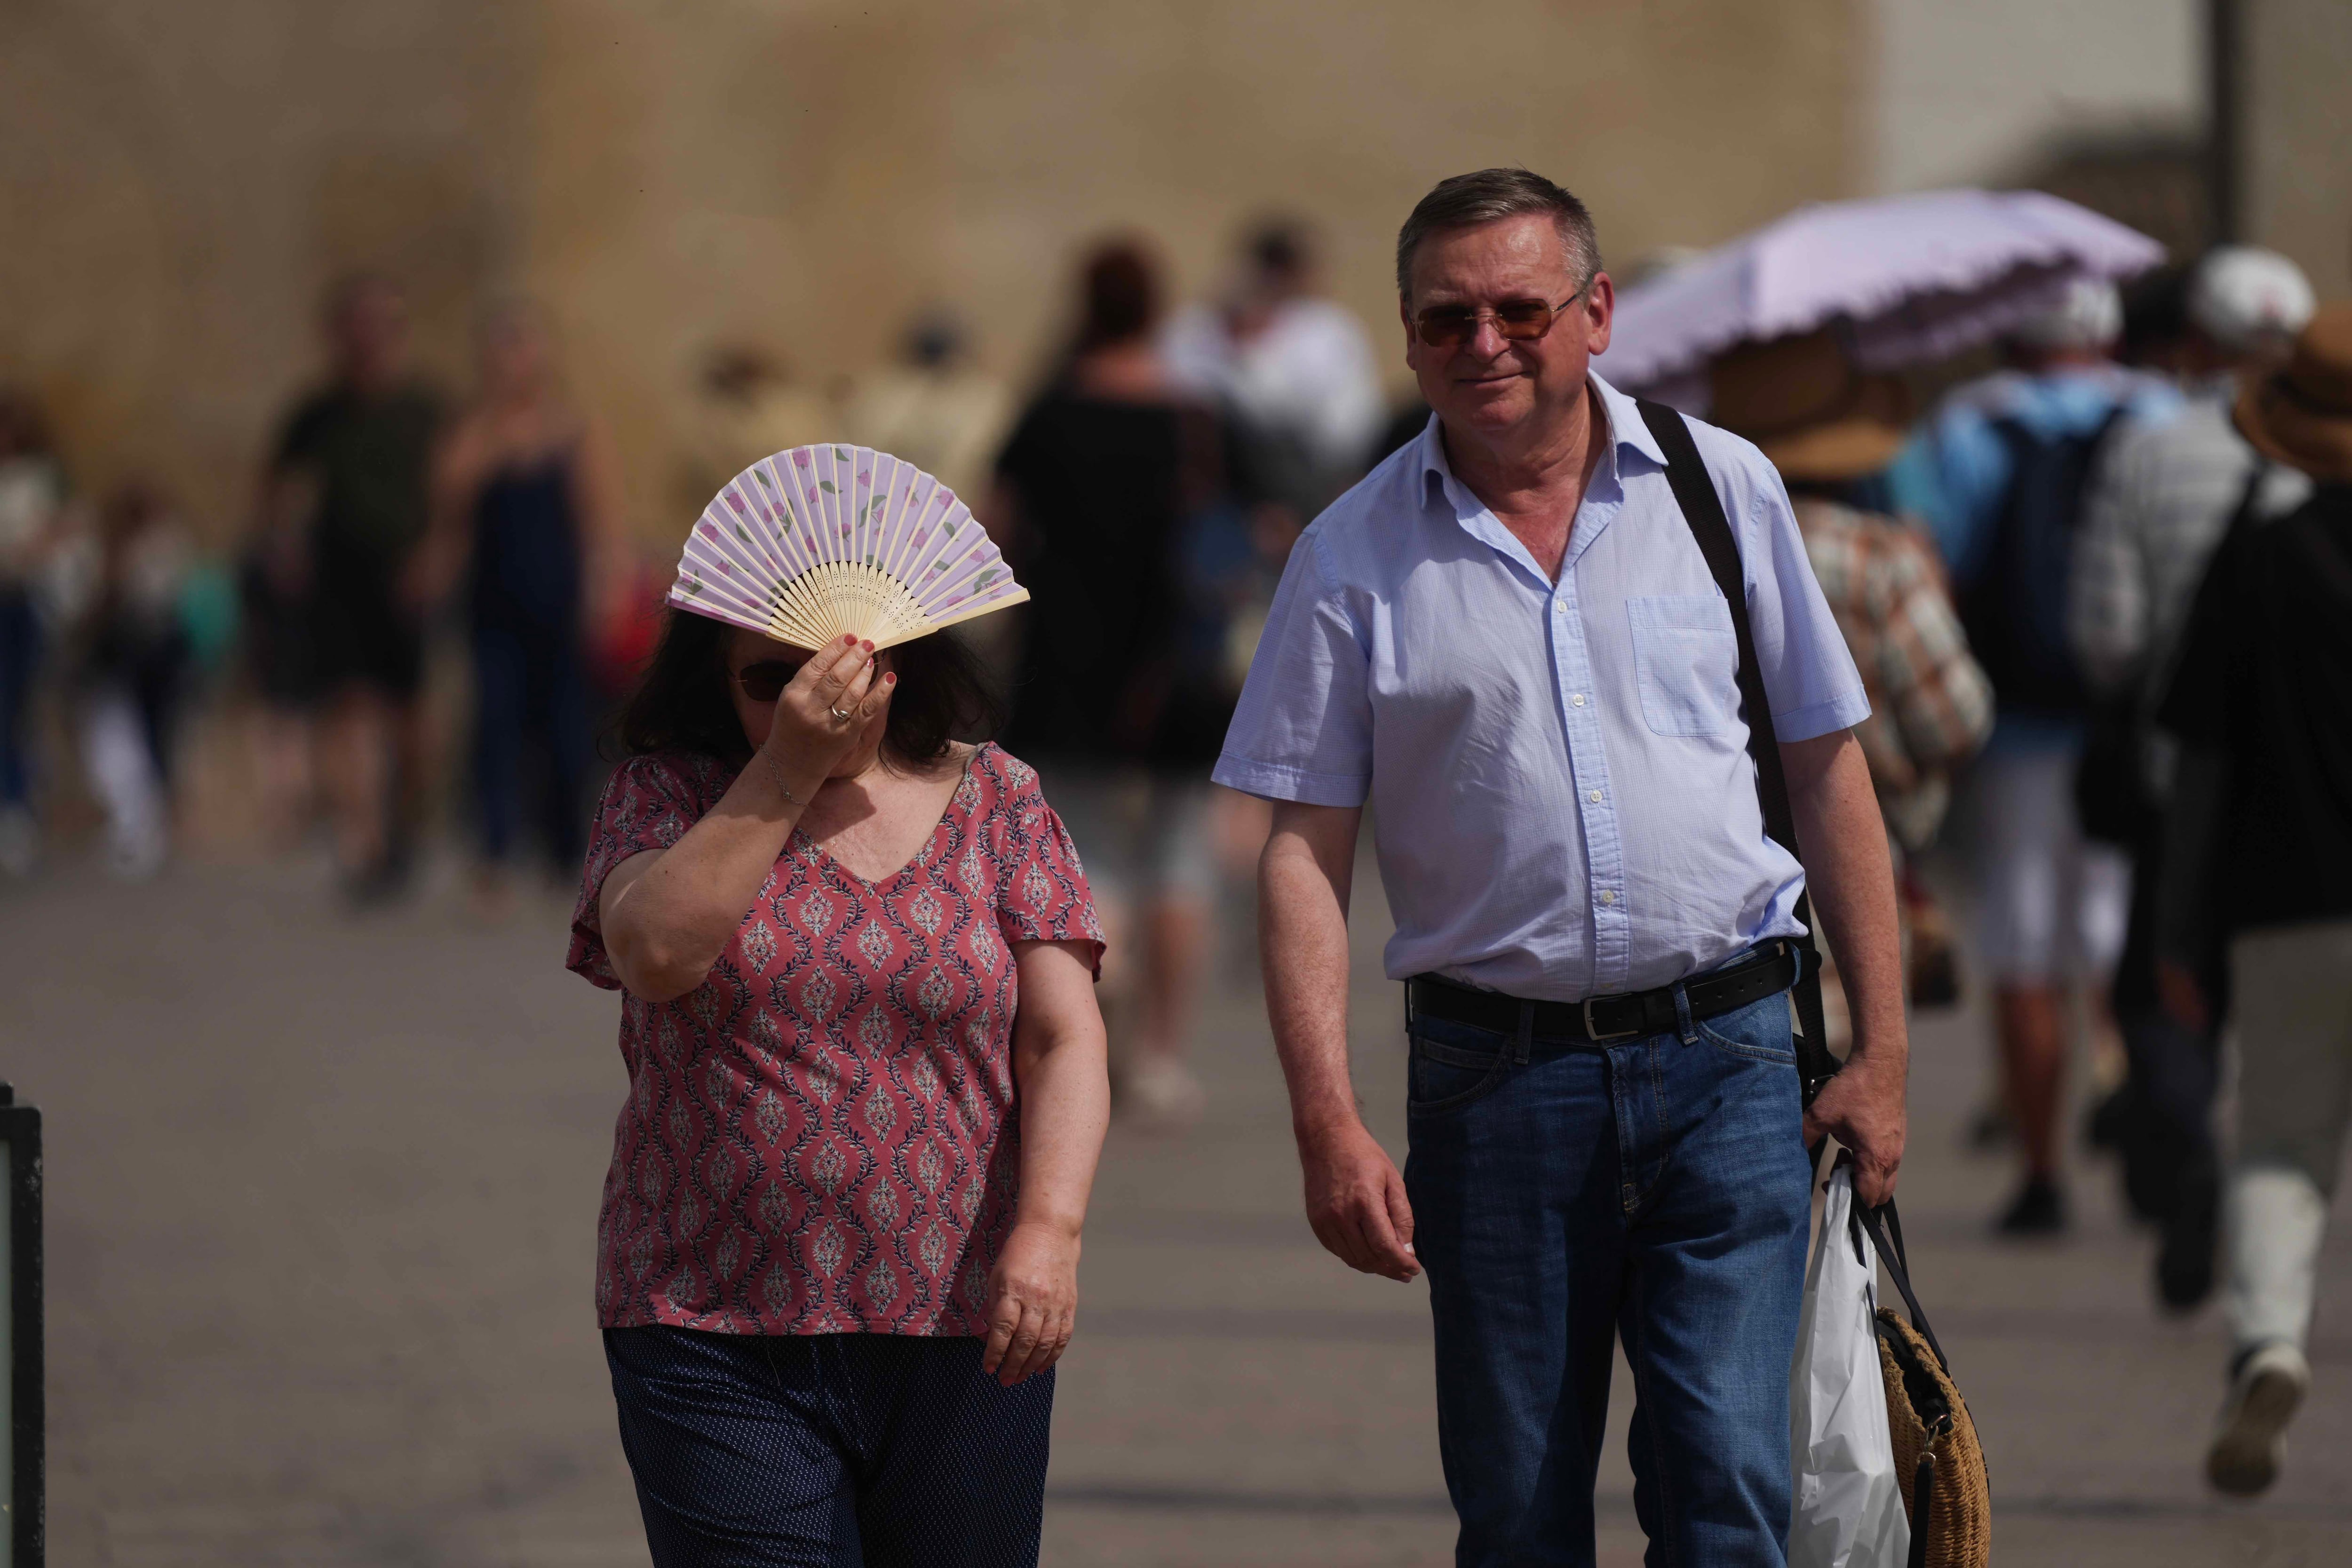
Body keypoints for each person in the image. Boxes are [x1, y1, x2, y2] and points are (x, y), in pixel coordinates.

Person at [1215, 169, 1906, 1565]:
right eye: (1447, 317)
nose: (1485, 343)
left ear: (1595, 315)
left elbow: (1831, 771)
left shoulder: (1722, 490)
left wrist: (1881, 1051)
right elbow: (1300, 850)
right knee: (1520, 1509)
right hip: (1495, 1083)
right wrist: (1324, 1118)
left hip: (1727, 1056)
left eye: (1520, 309)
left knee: (1726, 1488)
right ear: (1405, 338)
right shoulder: (1348, 555)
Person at [571, 613, 1110, 1566]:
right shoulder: (665, 797)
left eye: (848, 668)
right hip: (709, 1320)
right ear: (716, 677)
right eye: (771, 677)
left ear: (902, 662)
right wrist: (785, 767)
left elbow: (1063, 1036)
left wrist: (1050, 1229)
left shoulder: (998, 796)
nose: (813, 698)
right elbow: (653, 953)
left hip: (966, 1322)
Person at [1901, 277, 2179, 1233]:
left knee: (2021, 943)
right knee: (2116, 923)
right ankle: (2129, 1092)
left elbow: (1945, 559)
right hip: (2127, 718)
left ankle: (2039, 1169)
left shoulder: (1971, 421)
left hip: (2013, 722)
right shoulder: (2159, 411)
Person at [2069, 246, 2315, 1306]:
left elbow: (2107, 637)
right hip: (2316, 791)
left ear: (2194, 341)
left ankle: (2187, 1153)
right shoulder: (2327, 460)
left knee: (2165, 987)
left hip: (2181, 774)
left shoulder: (2144, 449)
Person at [2150, 306, 2352, 1497]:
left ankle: (2268, 1342)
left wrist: (2176, 929)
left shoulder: (2259, 558)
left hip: (2285, 900)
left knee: (2279, 1143)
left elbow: (2199, 765)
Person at [990, 238, 1229, 1128]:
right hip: (1177, 661)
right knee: (1181, 859)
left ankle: (1097, 996)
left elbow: (999, 528)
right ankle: (1161, 1055)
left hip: (1067, 655)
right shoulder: (1193, 412)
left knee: (1080, 851)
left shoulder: (1050, 410)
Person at [1707, 330, 1993, 1028]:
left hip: (1719, 891)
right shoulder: (1879, 555)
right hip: (1854, 875)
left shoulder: (1687, 546)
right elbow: (1958, 719)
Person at [413, 302, 627, 912]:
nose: (512, 363)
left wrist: (605, 588)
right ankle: (497, 853)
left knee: (564, 733)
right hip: (491, 608)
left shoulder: (573, 432)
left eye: (522, 348)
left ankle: (564, 852)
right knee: (495, 728)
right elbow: (448, 510)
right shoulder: (470, 433)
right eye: (501, 351)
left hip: (558, 606)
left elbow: (600, 523)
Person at [265, 274, 445, 900]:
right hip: (339, 576)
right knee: (348, 708)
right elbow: (286, 488)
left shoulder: (427, 410)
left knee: (411, 720)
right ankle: (363, 842)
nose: (368, 338)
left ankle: (403, 828)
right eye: (356, 324)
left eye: (381, 323)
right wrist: (286, 546)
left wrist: (437, 554)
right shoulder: (316, 413)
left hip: (408, 579)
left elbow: (455, 495)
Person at [1162, 216, 1385, 522]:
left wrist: (1247, 355)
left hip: (1308, 488)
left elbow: (1346, 431)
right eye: (1272, 263)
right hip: (1211, 490)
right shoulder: (1200, 325)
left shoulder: (1329, 329)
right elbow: (1173, 386)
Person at [73, 481, 194, 880]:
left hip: (154, 655)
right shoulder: (107, 551)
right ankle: (135, 825)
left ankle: (147, 827)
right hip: (122, 660)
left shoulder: (163, 547)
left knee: (153, 737)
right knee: (120, 741)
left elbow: (166, 595)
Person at [0, 390, 68, 876]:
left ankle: (17, 811)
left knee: (12, 707)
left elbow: (44, 542)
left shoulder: (36, 481)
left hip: (17, 604)